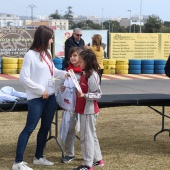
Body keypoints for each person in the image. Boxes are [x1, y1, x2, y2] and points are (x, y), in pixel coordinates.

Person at [12, 25, 68, 170]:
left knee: (45, 128)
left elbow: (52, 72)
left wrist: (65, 74)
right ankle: (17, 163)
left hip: (50, 97)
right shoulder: (30, 55)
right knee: (29, 128)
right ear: (44, 38)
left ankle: (38, 157)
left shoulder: (47, 52)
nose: (52, 40)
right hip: (36, 98)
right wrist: (40, 89)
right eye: (50, 38)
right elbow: (24, 79)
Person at [73, 49, 104, 170]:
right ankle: (98, 160)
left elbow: (98, 94)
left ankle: (87, 165)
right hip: (84, 109)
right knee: (91, 135)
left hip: (89, 110)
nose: (78, 64)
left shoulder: (93, 75)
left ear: (87, 61)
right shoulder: (85, 73)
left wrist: (85, 95)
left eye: (80, 61)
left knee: (86, 137)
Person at [57, 47, 83, 163]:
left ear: (81, 57)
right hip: (70, 108)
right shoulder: (66, 73)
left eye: (75, 55)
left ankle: (89, 155)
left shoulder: (85, 72)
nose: (72, 58)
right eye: (71, 55)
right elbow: (59, 90)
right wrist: (62, 90)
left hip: (83, 107)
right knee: (69, 130)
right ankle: (69, 154)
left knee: (85, 132)